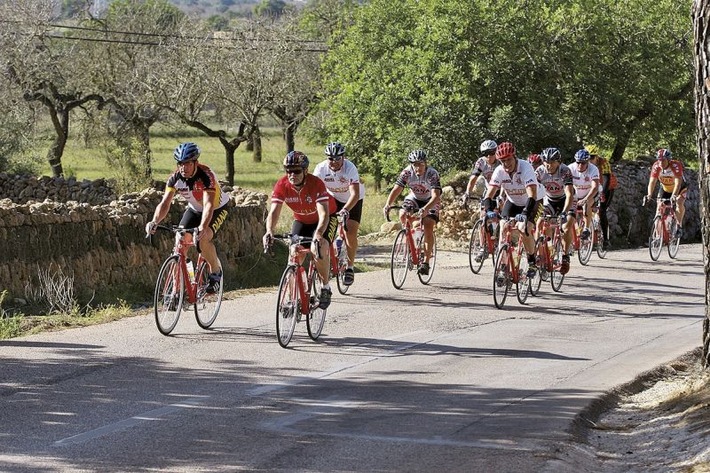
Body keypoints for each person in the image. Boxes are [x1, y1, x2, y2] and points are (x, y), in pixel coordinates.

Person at [145, 142, 229, 294]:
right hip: (195, 209)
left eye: (187, 163)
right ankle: (177, 291)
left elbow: (209, 205)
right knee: (180, 239)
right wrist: (154, 221)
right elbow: (165, 203)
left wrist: (203, 227)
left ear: (195, 162)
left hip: (217, 208)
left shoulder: (206, 175)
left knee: (203, 239)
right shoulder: (175, 179)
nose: (183, 167)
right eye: (180, 164)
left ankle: (215, 272)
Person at [263, 151, 338, 309]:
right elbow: (274, 212)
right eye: (288, 170)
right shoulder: (282, 185)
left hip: (325, 219)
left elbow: (323, 214)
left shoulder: (316, 184)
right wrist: (269, 230)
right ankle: (292, 298)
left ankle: (325, 287)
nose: (292, 174)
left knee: (319, 247)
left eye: (296, 171)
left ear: (305, 170)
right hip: (302, 220)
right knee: (294, 253)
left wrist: (318, 235)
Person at [482, 141, 540, 278]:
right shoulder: (499, 171)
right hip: (513, 201)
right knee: (503, 226)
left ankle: (532, 261)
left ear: (515, 157)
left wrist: (525, 213)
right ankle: (503, 266)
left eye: (508, 160)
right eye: (502, 161)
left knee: (523, 227)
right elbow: (489, 194)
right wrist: (489, 210)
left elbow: (532, 195)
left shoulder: (526, 168)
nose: (506, 163)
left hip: (532, 201)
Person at [312, 142, 365, 286]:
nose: (334, 162)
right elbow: (313, 189)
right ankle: (327, 258)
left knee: (350, 231)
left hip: (353, 200)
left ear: (343, 157)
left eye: (337, 158)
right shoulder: (321, 168)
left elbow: (354, 194)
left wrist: (346, 210)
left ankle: (349, 267)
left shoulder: (350, 168)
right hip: (333, 198)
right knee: (324, 227)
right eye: (330, 158)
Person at [382, 149, 442, 276]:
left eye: (420, 164)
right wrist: (388, 204)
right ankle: (409, 240)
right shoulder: (407, 172)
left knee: (428, 224)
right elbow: (397, 189)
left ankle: (425, 262)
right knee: (403, 214)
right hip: (414, 198)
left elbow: (436, 196)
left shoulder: (432, 174)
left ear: (425, 163)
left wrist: (426, 209)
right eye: (414, 164)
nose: (417, 167)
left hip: (430, 200)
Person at [535, 147, 575, 275]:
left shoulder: (564, 171)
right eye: (546, 161)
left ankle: (565, 255)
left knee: (566, 227)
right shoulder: (540, 171)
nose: (548, 165)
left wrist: (564, 212)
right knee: (540, 222)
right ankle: (540, 253)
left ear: (558, 162)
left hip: (566, 200)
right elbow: (533, 191)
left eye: (552, 162)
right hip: (549, 200)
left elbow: (569, 194)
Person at [462, 139, 501, 262]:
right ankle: (482, 248)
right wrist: (467, 192)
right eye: (485, 154)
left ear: (496, 152)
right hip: (489, 191)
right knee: (483, 217)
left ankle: (499, 238)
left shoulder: (501, 162)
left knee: (500, 215)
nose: (489, 156)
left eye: (491, 153)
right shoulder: (481, 162)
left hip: (503, 190)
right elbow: (473, 178)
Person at [646, 148, 687, 237]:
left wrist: (674, 195)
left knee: (679, 202)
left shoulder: (675, 165)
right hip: (665, 189)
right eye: (659, 160)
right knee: (659, 208)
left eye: (663, 160)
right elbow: (652, 182)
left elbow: (677, 183)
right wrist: (649, 194)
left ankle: (678, 226)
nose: (661, 163)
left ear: (668, 160)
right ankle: (658, 237)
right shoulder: (656, 166)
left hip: (680, 188)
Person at [587, 146, 617, 249]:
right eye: (588, 157)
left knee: (602, 210)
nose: (590, 160)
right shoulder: (584, 163)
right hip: (593, 187)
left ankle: (605, 239)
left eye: (592, 157)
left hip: (607, 187)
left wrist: (602, 193)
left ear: (597, 157)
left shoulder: (604, 162)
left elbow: (606, 179)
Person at [568, 149, 600, 240]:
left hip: (591, 193)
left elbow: (594, 187)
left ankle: (586, 228)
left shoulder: (593, 169)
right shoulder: (570, 168)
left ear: (587, 162)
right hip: (576, 194)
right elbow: (564, 185)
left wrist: (586, 199)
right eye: (578, 162)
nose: (580, 165)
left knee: (587, 204)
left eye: (583, 163)